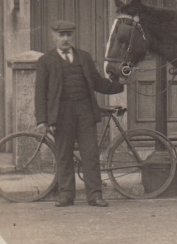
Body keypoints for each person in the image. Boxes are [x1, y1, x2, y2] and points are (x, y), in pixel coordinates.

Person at [35, 20, 126, 207]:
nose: (65, 39)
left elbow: (97, 82)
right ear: (53, 37)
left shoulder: (84, 57)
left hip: (85, 110)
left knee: (90, 154)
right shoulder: (46, 61)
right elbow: (40, 93)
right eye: (61, 35)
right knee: (64, 154)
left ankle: (95, 195)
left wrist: (120, 86)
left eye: (69, 35)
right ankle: (66, 195)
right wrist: (42, 119)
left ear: (73, 36)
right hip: (61, 113)